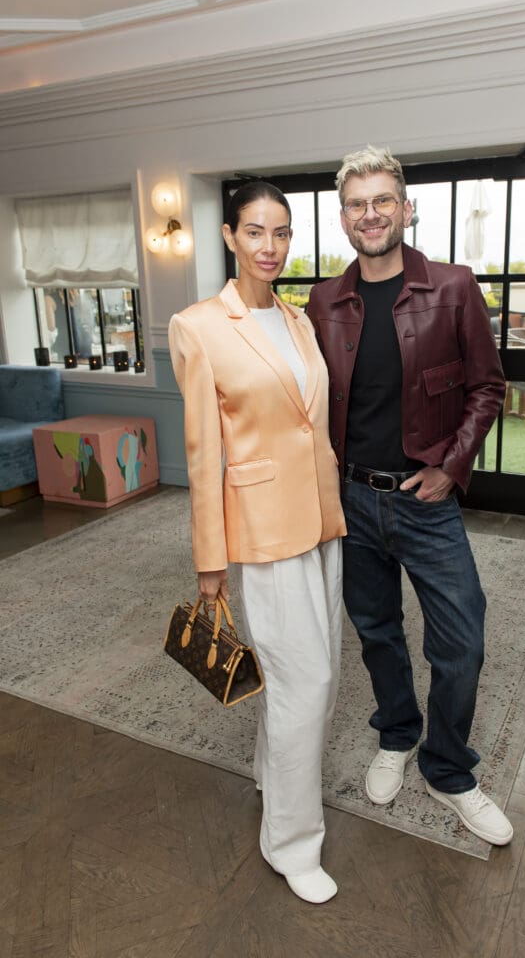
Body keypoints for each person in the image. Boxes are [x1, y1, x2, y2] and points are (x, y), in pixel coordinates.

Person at [307, 146, 513, 847]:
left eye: (383, 200)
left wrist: (453, 468)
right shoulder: (323, 300)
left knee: (463, 641)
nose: (371, 214)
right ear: (343, 219)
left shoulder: (452, 287)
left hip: (427, 500)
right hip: (351, 502)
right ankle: (396, 733)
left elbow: (488, 386)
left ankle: (449, 769)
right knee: (376, 632)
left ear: (406, 207)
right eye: (358, 204)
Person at [168, 181, 346, 903]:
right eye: (255, 232)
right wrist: (211, 561)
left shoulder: (299, 322)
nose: (269, 247)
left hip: (321, 523)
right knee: (309, 683)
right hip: (263, 534)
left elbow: (311, 425)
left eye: (280, 233)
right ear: (230, 237)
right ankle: (292, 843)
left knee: (311, 671)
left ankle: (274, 780)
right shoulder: (199, 326)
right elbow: (203, 450)